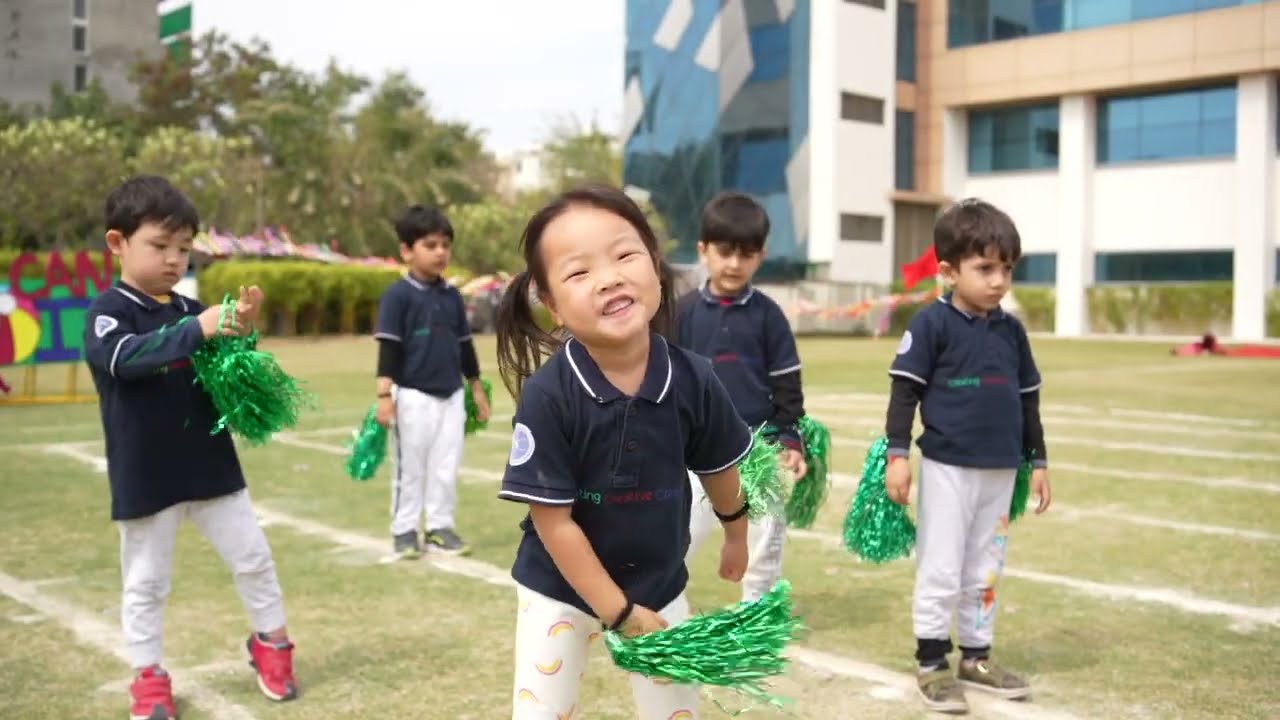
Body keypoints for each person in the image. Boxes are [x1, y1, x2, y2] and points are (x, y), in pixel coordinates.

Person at [494, 184, 753, 720]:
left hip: (659, 584)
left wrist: (735, 534)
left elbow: (719, 467)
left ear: (655, 266)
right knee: (542, 712)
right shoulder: (548, 395)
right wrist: (617, 611)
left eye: (624, 254)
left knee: (676, 712)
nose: (609, 277)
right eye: (579, 272)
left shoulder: (694, 378)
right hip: (558, 589)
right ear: (553, 306)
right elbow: (553, 522)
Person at [83, 175, 297, 720]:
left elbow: (224, 373)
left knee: (253, 559)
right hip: (146, 475)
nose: (174, 260)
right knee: (148, 582)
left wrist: (239, 334)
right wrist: (199, 328)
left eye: (183, 249)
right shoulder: (108, 312)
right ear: (118, 243)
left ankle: (272, 644)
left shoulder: (187, 308)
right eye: (160, 246)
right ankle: (148, 675)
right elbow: (126, 358)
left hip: (211, 467)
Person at [883, 198, 1052, 714]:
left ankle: (975, 656)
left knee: (986, 567)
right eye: (985, 268)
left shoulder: (1011, 330)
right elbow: (903, 392)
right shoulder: (931, 324)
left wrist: (1038, 460)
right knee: (941, 565)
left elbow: (1028, 399)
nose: (998, 280)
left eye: (1006, 268)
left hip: (1001, 470)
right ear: (949, 270)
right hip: (948, 466)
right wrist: (897, 453)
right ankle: (932, 661)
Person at [677, 191, 806, 603]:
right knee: (676, 536)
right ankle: (655, 611)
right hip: (694, 450)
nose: (734, 264)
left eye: (746, 254)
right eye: (724, 251)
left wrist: (789, 438)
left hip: (757, 447)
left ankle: (756, 616)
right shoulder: (681, 313)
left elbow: (787, 381)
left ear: (761, 255)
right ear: (703, 250)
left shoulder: (768, 315)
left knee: (765, 538)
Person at [374, 205, 491, 558]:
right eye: (430, 245)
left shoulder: (452, 296)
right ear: (407, 251)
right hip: (412, 395)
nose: (440, 252)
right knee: (410, 467)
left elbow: (464, 345)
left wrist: (476, 389)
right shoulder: (398, 296)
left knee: (445, 465)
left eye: (445, 245)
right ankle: (404, 530)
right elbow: (389, 348)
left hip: (451, 395)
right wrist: (384, 394)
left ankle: (440, 526)